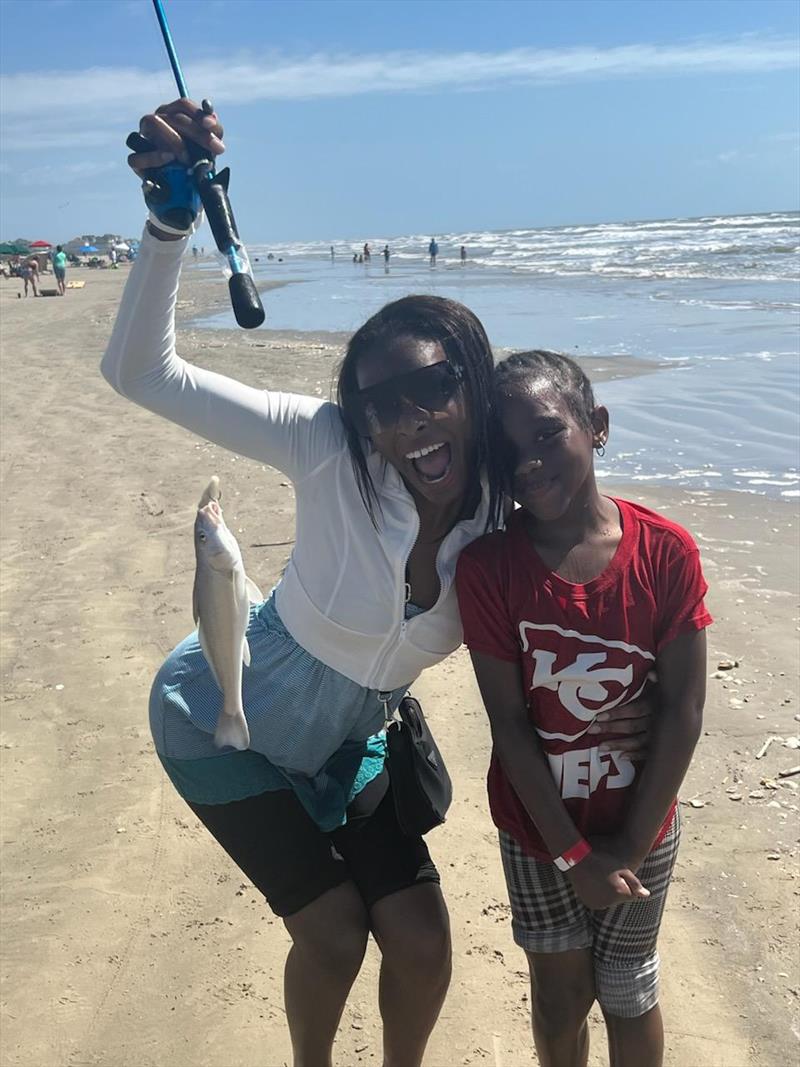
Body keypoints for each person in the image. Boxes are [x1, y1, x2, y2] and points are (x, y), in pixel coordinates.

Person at [104, 98, 652, 1067]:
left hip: (354, 743)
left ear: (472, 385)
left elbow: (593, 538)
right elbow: (140, 372)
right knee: (331, 932)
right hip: (215, 716)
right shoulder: (324, 444)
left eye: (435, 387)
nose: (411, 423)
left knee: (423, 939)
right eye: (382, 403)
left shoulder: (501, 513)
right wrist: (167, 218)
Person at [456, 349, 711, 1067]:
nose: (529, 463)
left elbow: (685, 708)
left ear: (595, 425)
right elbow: (508, 722)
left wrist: (624, 852)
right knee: (560, 995)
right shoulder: (488, 569)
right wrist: (573, 854)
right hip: (539, 827)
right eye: (507, 453)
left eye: (546, 433)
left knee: (629, 985)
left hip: (642, 821)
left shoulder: (666, 552)